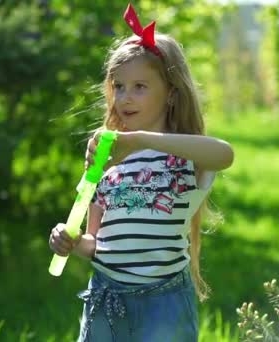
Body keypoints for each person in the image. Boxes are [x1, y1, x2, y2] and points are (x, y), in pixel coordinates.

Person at [48, 3, 234, 342]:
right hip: (105, 300)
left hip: (163, 303)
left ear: (171, 94)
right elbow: (95, 242)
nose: (125, 97)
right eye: (118, 86)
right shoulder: (106, 158)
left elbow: (224, 154)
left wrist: (140, 141)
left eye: (140, 87)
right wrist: (71, 240)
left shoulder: (184, 156)